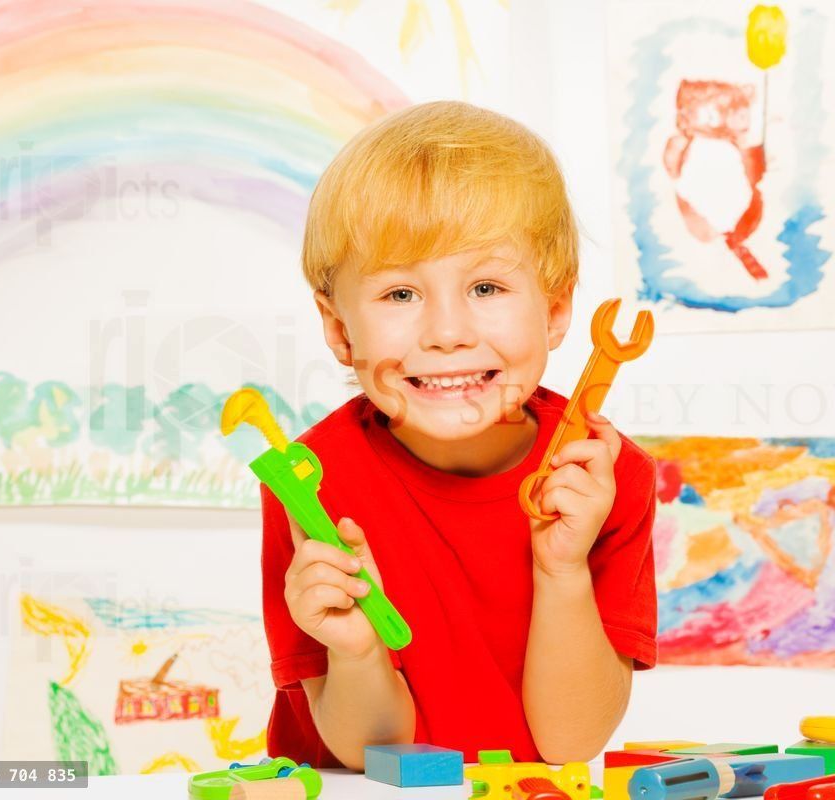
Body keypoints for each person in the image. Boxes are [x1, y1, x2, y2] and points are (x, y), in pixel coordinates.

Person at [261, 100, 658, 770]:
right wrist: (356, 650)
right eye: (399, 295)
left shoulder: (605, 478)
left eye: (486, 286)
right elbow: (368, 756)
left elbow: (570, 744)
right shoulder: (307, 481)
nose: (447, 332)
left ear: (556, 310)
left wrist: (561, 571)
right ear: (338, 329)